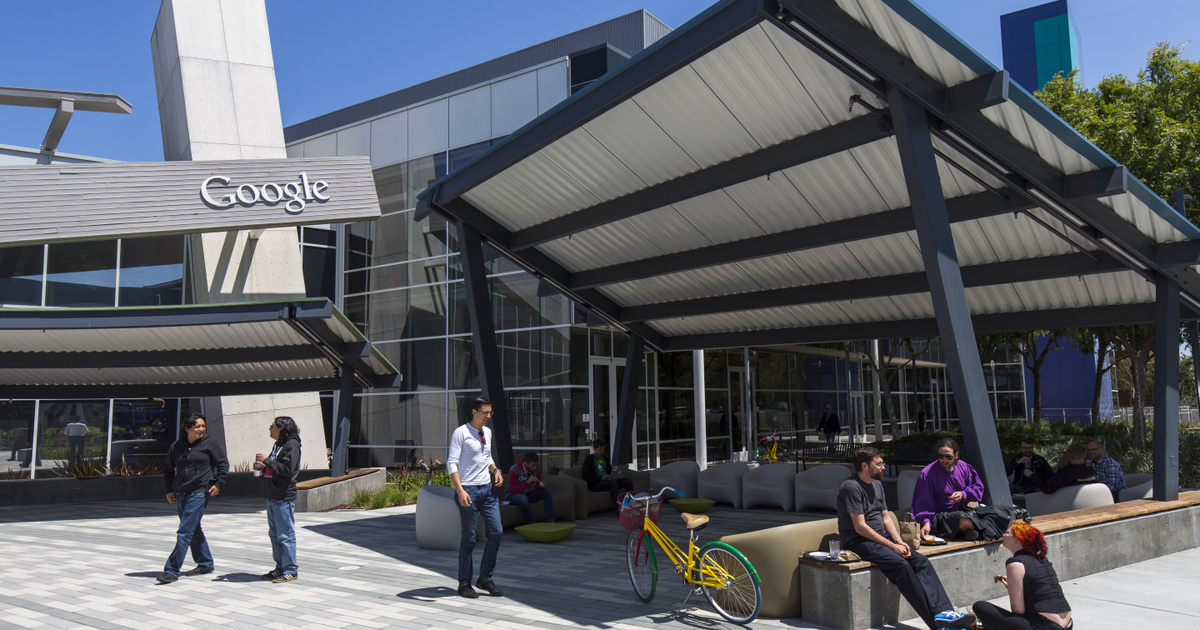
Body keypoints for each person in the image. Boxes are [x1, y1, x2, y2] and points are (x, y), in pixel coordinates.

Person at [837, 446, 976, 629]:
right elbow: (860, 527)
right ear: (864, 466)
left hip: (880, 538)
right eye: (878, 464)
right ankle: (937, 624)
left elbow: (886, 518)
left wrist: (900, 542)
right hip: (858, 541)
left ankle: (944, 613)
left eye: (882, 463)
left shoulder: (877, 484)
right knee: (902, 565)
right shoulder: (851, 487)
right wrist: (892, 546)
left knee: (920, 561)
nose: (883, 467)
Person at [158, 412, 228, 584]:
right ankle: (205, 563)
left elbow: (223, 464)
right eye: (198, 426)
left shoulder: (210, 443)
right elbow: (168, 470)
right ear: (187, 428)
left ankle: (172, 570)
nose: (201, 429)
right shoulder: (177, 446)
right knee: (194, 529)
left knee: (184, 532)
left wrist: (218, 483)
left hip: (199, 492)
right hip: (182, 493)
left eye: (203, 426)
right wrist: (169, 490)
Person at [447, 396, 505, 599]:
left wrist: (495, 469)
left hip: (487, 490)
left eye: (490, 412)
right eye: (485, 412)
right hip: (468, 491)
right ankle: (464, 583)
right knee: (469, 538)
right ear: (474, 412)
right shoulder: (461, 433)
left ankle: (485, 579)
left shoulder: (487, 432)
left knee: (496, 531)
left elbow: (486, 456)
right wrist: (460, 490)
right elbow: (452, 463)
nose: (488, 416)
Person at [973, 521, 1073, 630]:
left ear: (1017, 540)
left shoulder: (1015, 563)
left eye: (1007, 533)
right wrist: (1013, 587)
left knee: (980, 607)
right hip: (1067, 624)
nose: (1003, 535)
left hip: (1043, 626)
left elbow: (1018, 609)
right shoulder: (1043, 560)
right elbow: (1041, 591)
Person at [255, 416, 302, 583]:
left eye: (272, 426)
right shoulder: (278, 445)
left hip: (283, 497)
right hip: (272, 496)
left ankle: (290, 569)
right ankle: (280, 568)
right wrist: (263, 467)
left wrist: (267, 461)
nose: (270, 429)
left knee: (285, 535)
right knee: (274, 534)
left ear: (281, 429)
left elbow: (287, 470)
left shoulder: (292, 445)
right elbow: (275, 467)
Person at [912, 438, 985, 541]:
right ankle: (973, 531)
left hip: (961, 510)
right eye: (940, 456)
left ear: (956, 455)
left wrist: (963, 495)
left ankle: (968, 531)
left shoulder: (964, 467)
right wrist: (926, 522)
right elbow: (923, 503)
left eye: (948, 457)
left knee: (998, 512)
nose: (944, 460)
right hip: (940, 517)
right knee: (965, 520)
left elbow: (978, 489)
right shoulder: (927, 474)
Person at [507, 451, 555, 524]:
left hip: (527, 493)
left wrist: (541, 485)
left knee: (547, 492)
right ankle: (532, 523)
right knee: (523, 499)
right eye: (532, 465)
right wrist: (527, 482)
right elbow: (513, 491)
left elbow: (537, 486)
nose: (534, 468)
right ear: (526, 463)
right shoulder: (515, 469)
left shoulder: (537, 468)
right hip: (512, 496)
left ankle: (551, 520)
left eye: (536, 465)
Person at [1031, 443, 1099, 495]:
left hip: (1069, 507)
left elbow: (1047, 489)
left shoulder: (1064, 474)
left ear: (1068, 455)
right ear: (1085, 455)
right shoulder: (1092, 472)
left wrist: (1031, 475)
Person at [581, 438, 633, 505]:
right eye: (600, 450)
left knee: (628, 481)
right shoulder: (589, 459)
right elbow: (585, 475)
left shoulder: (605, 458)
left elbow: (610, 470)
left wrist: (615, 474)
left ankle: (630, 503)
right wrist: (600, 477)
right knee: (613, 482)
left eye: (603, 449)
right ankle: (618, 506)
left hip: (608, 480)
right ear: (594, 448)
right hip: (596, 483)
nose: (602, 451)